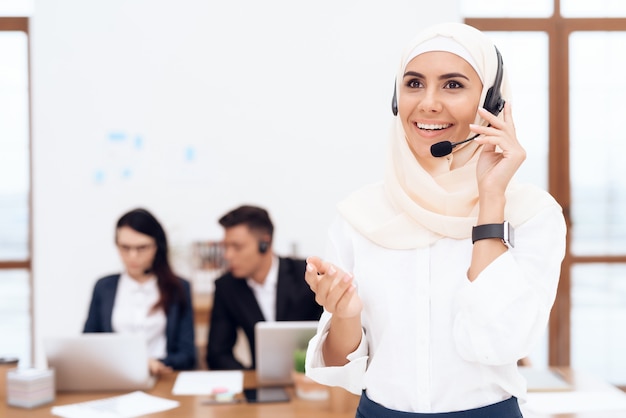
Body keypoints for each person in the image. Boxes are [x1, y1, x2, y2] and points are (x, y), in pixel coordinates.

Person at [303, 22, 566, 417]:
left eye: (453, 85)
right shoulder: (359, 216)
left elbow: (498, 342)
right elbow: (341, 367)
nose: (428, 103)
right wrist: (345, 315)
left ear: (491, 103)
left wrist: (490, 200)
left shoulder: (531, 214)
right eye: (413, 84)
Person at [206, 205, 323, 370]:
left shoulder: (306, 275)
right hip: (260, 380)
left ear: (264, 243)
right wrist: (250, 379)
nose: (228, 255)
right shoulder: (227, 287)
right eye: (226, 246)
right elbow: (217, 354)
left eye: (237, 247)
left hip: (312, 380)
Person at [83, 208, 196, 375]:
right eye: (125, 248)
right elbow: (88, 344)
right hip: (115, 376)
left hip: (161, 377)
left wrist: (156, 363)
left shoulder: (178, 287)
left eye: (142, 248)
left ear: (157, 246)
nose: (132, 256)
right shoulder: (104, 287)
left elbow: (187, 355)